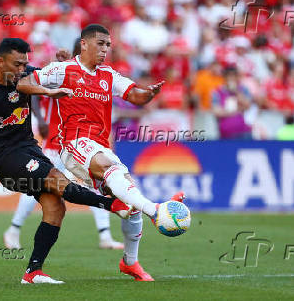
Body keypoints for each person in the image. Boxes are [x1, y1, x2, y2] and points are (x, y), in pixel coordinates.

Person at [17, 24, 185, 281]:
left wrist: (150, 94)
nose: (105, 49)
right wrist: (49, 91)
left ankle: (130, 262)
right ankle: (156, 211)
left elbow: (136, 97)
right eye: (100, 44)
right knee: (112, 171)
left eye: (108, 45)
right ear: (84, 44)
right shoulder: (63, 69)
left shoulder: (109, 76)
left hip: (99, 145)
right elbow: (24, 83)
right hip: (72, 143)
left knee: (130, 199)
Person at [0, 38, 131, 284]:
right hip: (3, 158)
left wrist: (62, 62)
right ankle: (114, 206)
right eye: (16, 64)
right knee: (57, 180)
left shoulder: (26, 74)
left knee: (55, 208)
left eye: (25, 63)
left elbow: (52, 73)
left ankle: (33, 273)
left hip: (29, 149)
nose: (22, 69)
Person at [4, 38, 123, 250]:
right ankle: (13, 228)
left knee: (94, 185)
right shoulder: (63, 70)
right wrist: (39, 119)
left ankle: (105, 235)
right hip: (56, 141)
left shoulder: (96, 77)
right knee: (38, 184)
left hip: (83, 143)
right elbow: (33, 89)